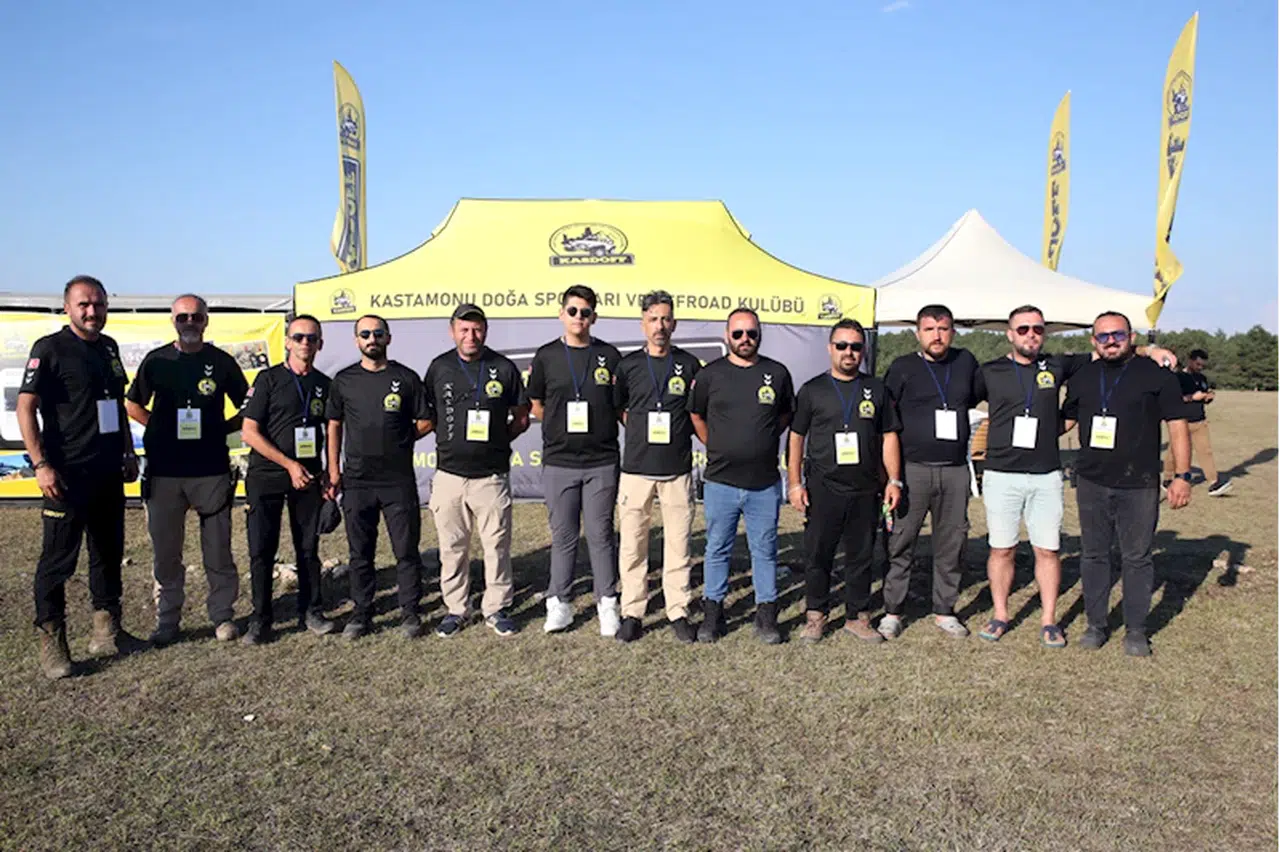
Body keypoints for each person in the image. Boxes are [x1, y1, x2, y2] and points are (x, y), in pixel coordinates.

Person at [975, 306, 1176, 647]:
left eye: (1038, 329)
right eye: (1022, 329)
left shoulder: (1059, 364)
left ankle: (1049, 620)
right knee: (1001, 549)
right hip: (1001, 473)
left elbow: (1110, 347)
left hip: (1046, 475)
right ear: (1009, 334)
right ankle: (1000, 614)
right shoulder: (988, 371)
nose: (1031, 335)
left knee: (1048, 550)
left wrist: (1149, 350)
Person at [18, 275, 142, 678]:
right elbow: (25, 407)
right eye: (84, 304)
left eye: (99, 304)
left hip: (107, 472)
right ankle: (53, 643)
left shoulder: (108, 348)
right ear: (67, 307)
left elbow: (117, 405)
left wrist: (128, 451)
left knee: (107, 553)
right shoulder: (50, 349)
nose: (92, 312)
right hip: (65, 474)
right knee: (57, 561)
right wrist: (41, 465)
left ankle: (107, 632)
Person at [1063, 312, 1191, 656]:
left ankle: (1136, 630)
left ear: (1131, 337)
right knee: (1094, 555)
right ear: (1093, 341)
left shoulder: (1156, 375)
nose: (1111, 342)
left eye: (1117, 335)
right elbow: (1067, 419)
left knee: (1137, 558)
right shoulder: (1083, 376)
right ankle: (1096, 625)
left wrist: (1182, 476)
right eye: (1103, 336)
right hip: (1091, 480)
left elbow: (1177, 426)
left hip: (1139, 483)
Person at [126, 294, 249, 645]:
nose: (190, 323)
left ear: (206, 320)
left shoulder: (221, 362)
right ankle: (167, 620)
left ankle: (222, 616)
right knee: (166, 553)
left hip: (211, 469)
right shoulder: (156, 360)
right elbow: (132, 404)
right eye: (183, 317)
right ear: (173, 321)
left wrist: (221, 430)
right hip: (164, 471)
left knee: (218, 550)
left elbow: (248, 406)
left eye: (196, 316)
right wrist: (157, 428)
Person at [788, 319, 902, 644]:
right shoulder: (812, 390)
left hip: (865, 488)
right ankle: (816, 615)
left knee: (861, 555)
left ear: (863, 350)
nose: (848, 352)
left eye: (855, 346)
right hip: (823, 487)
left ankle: (857, 616)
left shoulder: (876, 389)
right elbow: (796, 438)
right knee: (818, 554)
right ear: (830, 348)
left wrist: (894, 480)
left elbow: (889, 436)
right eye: (842, 345)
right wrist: (795, 483)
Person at [690, 307, 794, 644]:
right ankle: (713, 613)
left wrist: (760, 440)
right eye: (738, 333)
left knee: (764, 550)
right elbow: (696, 415)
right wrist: (718, 445)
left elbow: (785, 416)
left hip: (763, 483)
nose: (745, 339)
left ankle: (766, 615)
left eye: (751, 333)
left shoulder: (777, 373)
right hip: (720, 481)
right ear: (727, 336)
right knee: (717, 548)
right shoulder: (710, 375)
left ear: (759, 335)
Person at [424, 304, 529, 638]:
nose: (471, 336)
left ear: (485, 331)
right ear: (452, 331)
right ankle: (457, 608)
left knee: (496, 545)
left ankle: (496, 607)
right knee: (452, 546)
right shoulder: (439, 367)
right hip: (449, 476)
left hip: (491, 476)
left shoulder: (503, 367)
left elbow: (522, 416)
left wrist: (498, 440)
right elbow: (429, 415)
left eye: (477, 329)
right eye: (464, 329)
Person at [326, 315, 433, 639]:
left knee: (406, 550)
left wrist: (402, 438)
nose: (372, 338)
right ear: (357, 340)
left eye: (377, 333)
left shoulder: (406, 377)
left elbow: (427, 420)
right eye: (365, 334)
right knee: (360, 553)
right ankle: (361, 613)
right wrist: (334, 470)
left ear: (388, 337)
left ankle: (410, 611)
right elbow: (334, 425)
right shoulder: (344, 380)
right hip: (357, 481)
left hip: (397, 480)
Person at [525, 285, 624, 636]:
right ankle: (560, 604)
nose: (578, 317)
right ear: (561, 314)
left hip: (601, 461)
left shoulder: (609, 355)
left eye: (585, 312)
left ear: (594, 317)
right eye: (572, 311)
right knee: (564, 536)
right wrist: (558, 428)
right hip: (560, 461)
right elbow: (536, 403)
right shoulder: (547, 356)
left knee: (600, 535)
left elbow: (619, 404)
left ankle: (607, 603)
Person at [881, 304, 980, 639]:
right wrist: (890, 475)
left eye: (943, 329)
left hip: (954, 470)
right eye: (929, 329)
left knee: (952, 542)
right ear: (917, 333)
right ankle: (893, 610)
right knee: (901, 540)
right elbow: (886, 419)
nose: (937, 336)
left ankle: (945, 610)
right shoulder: (902, 367)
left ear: (953, 331)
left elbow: (979, 396)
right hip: (913, 470)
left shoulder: (965, 362)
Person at [239, 314, 335, 644]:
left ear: (320, 344)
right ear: (288, 342)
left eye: (312, 338)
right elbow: (249, 432)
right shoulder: (268, 379)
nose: (305, 343)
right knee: (261, 550)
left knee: (307, 548)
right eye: (299, 337)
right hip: (266, 476)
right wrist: (288, 464)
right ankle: (260, 620)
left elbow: (331, 431)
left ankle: (312, 611)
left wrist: (329, 472)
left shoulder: (324, 384)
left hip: (307, 478)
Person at [612, 291, 702, 644]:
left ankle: (677, 610)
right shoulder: (628, 366)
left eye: (665, 319)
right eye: (653, 319)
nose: (660, 326)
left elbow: (697, 412)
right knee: (633, 545)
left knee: (679, 544)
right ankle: (633, 612)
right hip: (636, 470)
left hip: (677, 470)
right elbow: (620, 410)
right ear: (643, 324)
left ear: (674, 324)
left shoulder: (690, 365)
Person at [1162, 348, 1231, 496]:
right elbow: (1174, 399)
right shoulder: (1178, 377)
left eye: (1202, 365)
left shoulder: (1202, 378)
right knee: (1174, 451)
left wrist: (1208, 397)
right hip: (1182, 421)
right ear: (1190, 361)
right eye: (1198, 364)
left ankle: (1214, 482)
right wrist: (1192, 397)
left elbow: (1203, 395)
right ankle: (1167, 478)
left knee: (1205, 452)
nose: (1200, 367)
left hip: (1200, 421)